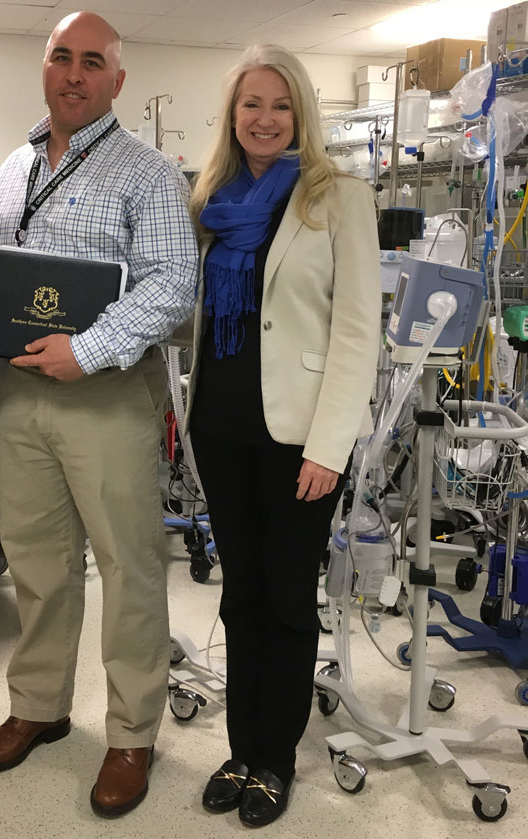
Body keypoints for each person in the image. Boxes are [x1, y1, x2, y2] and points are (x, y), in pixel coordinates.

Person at [0, 11, 199, 817]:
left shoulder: (147, 173)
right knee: (35, 558)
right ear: (44, 66)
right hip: (21, 393)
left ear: (117, 80)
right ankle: (39, 705)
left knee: (129, 568)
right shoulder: (13, 163)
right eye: (61, 56)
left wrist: (88, 349)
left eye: (91, 61)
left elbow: (173, 285)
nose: (73, 73)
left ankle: (132, 732)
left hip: (105, 394)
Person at [184, 44, 380, 826]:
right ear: (232, 115)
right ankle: (239, 749)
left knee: (289, 599)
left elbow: (357, 332)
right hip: (221, 426)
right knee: (240, 595)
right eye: (250, 104)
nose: (264, 119)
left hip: (301, 438)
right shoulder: (210, 200)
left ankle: (276, 758)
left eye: (280, 105)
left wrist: (331, 446)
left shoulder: (338, 196)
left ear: (301, 114)